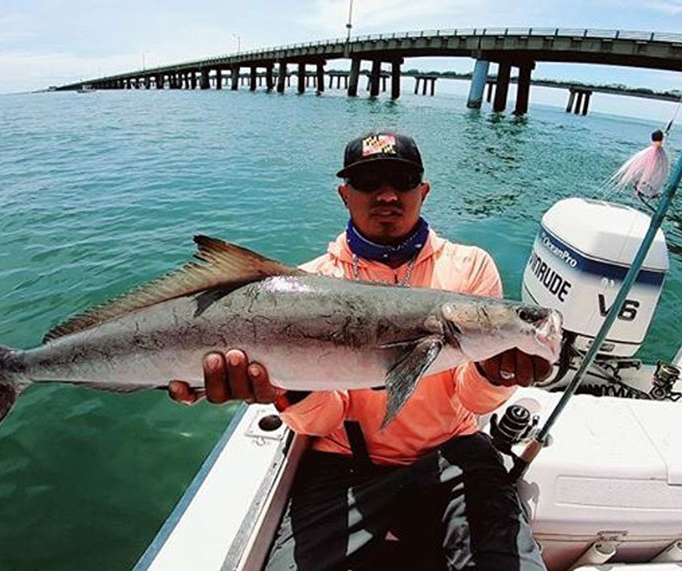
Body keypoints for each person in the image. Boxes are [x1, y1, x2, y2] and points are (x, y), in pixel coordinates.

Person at [169, 130, 552, 571]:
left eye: (402, 180)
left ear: (423, 191)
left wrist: (493, 374)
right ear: (344, 195)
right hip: (344, 463)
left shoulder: (468, 268)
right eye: (369, 182)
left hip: (453, 455)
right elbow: (327, 417)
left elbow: (468, 399)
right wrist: (285, 391)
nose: (387, 194)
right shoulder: (306, 285)